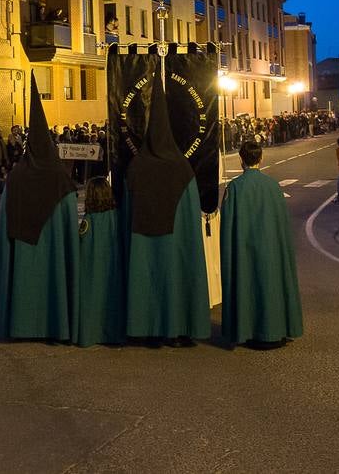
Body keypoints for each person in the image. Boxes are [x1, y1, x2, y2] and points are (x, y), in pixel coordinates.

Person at [125, 73, 210, 343]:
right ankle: (179, 326)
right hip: (175, 240)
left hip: (142, 240)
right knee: (176, 275)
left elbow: (127, 207)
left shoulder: (137, 167)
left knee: (146, 277)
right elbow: (190, 212)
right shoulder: (181, 167)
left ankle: (144, 327)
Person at [0, 77, 79, 341]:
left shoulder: (17, 177)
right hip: (52, 247)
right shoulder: (59, 177)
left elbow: (3, 223)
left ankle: (22, 325)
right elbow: (69, 219)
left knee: (26, 282)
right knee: (53, 278)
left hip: (23, 249)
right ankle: (56, 326)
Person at [219, 142, 304, 347]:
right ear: (261, 158)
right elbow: (281, 221)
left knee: (248, 285)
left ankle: (248, 330)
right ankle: (276, 329)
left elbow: (228, 223)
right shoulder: (273, 186)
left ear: (241, 160)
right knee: (271, 285)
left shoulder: (235, 187)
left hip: (245, 247)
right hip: (272, 246)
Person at [74, 177, 124, 347]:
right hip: (113, 269)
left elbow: (82, 244)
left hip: (92, 270)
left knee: (92, 301)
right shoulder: (116, 217)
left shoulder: (89, 220)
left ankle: (90, 334)